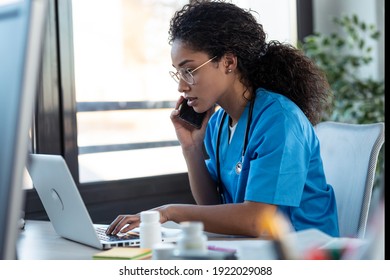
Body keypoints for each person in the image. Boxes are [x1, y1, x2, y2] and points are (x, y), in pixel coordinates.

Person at [106, 0, 339, 238]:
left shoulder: (280, 120)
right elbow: (212, 208)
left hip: (303, 251)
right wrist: (192, 148)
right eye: (178, 72)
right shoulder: (218, 124)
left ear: (228, 62)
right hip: (252, 247)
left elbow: (257, 221)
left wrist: (171, 212)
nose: (181, 86)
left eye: (190, 70)